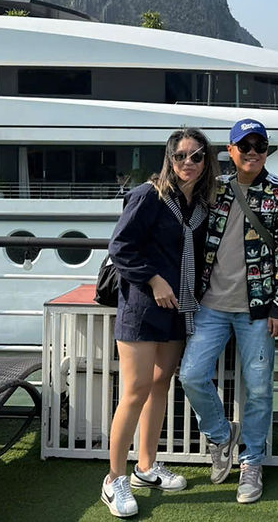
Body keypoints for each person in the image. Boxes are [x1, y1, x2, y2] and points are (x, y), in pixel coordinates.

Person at [179, 118, 278, 504]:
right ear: (230, 151)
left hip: (260, 310)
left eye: (258, 145)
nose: (251, 152)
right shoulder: (212, 190)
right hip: (211, 305)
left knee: (261, 389)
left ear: (267, 150)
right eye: (243, 145)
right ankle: (220, 434)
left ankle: (252, 461)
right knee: (191, 375)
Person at [101, 127, 218, 518]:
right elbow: (120, 246)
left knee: (160, 385)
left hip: (179, 308)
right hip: (142, 307)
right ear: (169, 158)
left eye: (196, 156)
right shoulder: (149, 195)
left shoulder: (199, 204)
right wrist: (153, 279)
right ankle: (113, 478)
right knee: (135, 389)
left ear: (206, 161)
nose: (188, 163)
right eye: (180, 156)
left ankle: (146, 467)